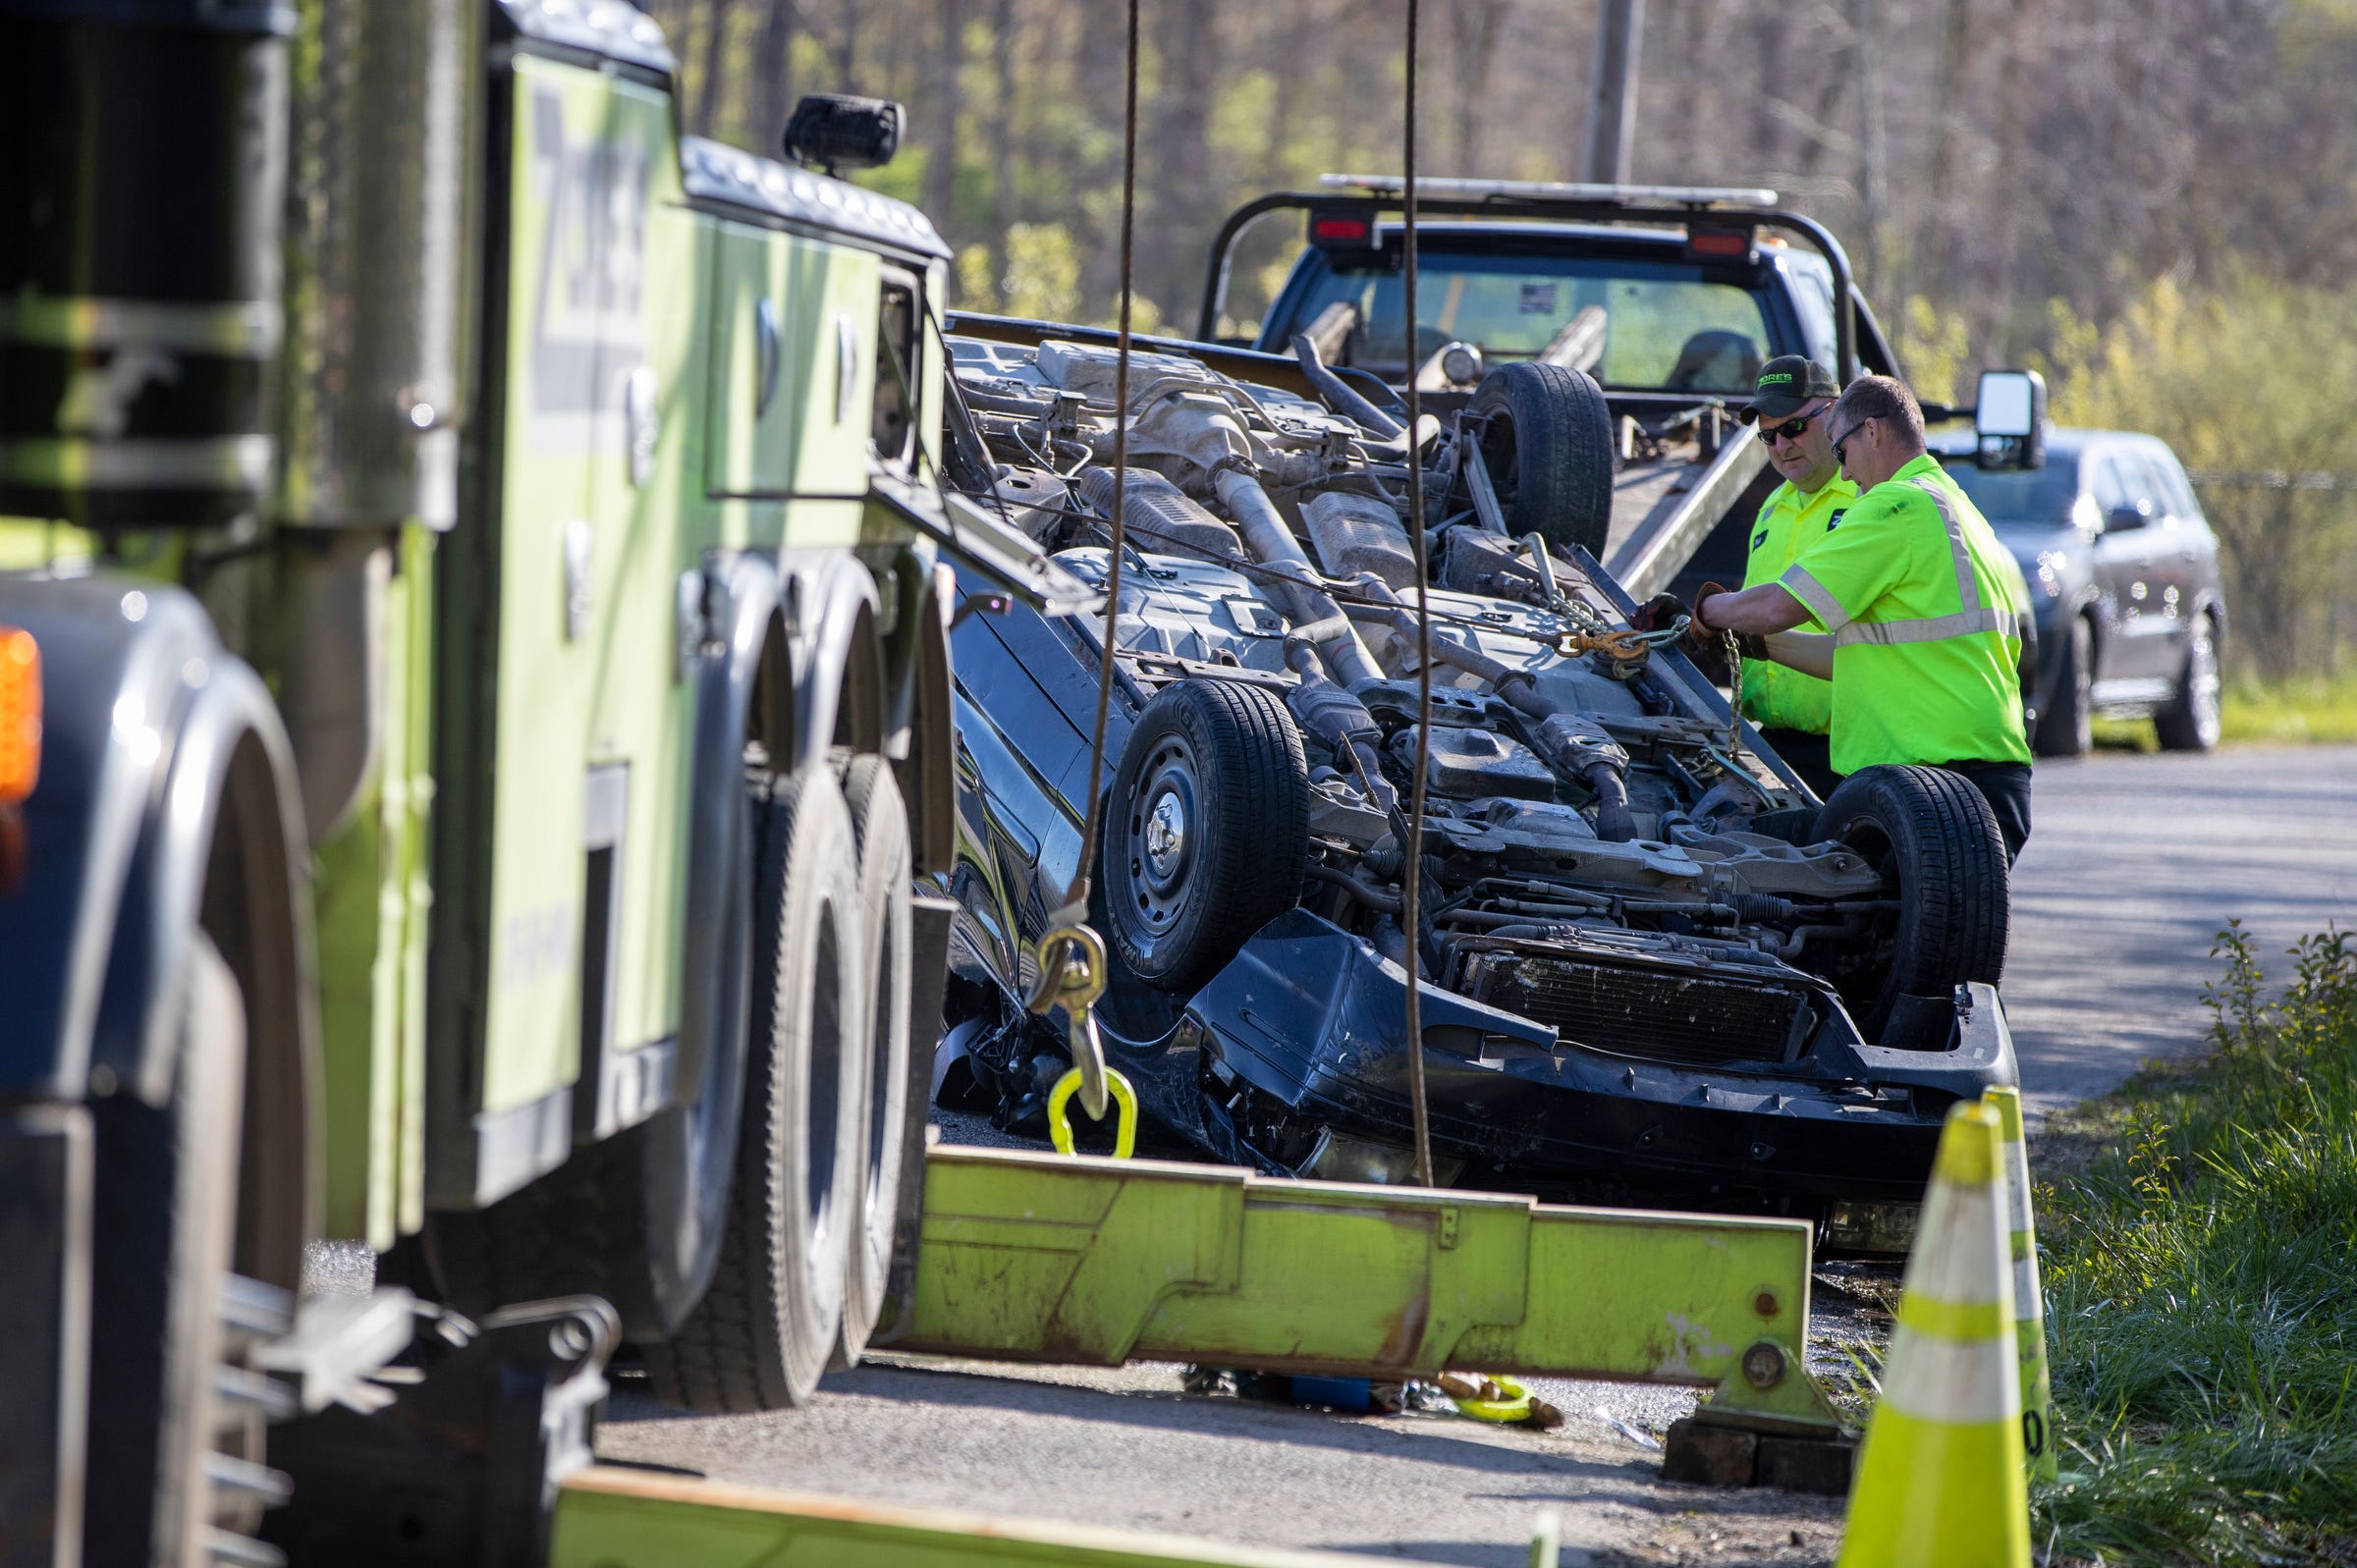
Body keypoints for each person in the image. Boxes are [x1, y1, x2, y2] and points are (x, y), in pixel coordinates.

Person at [1688, 375, 2035, 862]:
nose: (1846, 476)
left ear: (1871, 431)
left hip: (1929, 782)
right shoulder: (1955, 504)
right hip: (1981, 781)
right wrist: (1760, 646)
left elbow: (1778, 606)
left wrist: (1706, 611)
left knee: (1751, 866)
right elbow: (1861, 654)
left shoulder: (1895, 505)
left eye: (1843, 453)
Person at [1727, 355, 1854, 796]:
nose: (1781, 445)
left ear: (1835, 413)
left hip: (1852, 753)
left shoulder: (1869, 500)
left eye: (1794, 428)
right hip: (1773, 747)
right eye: (1767, 435)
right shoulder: (1771, 509)